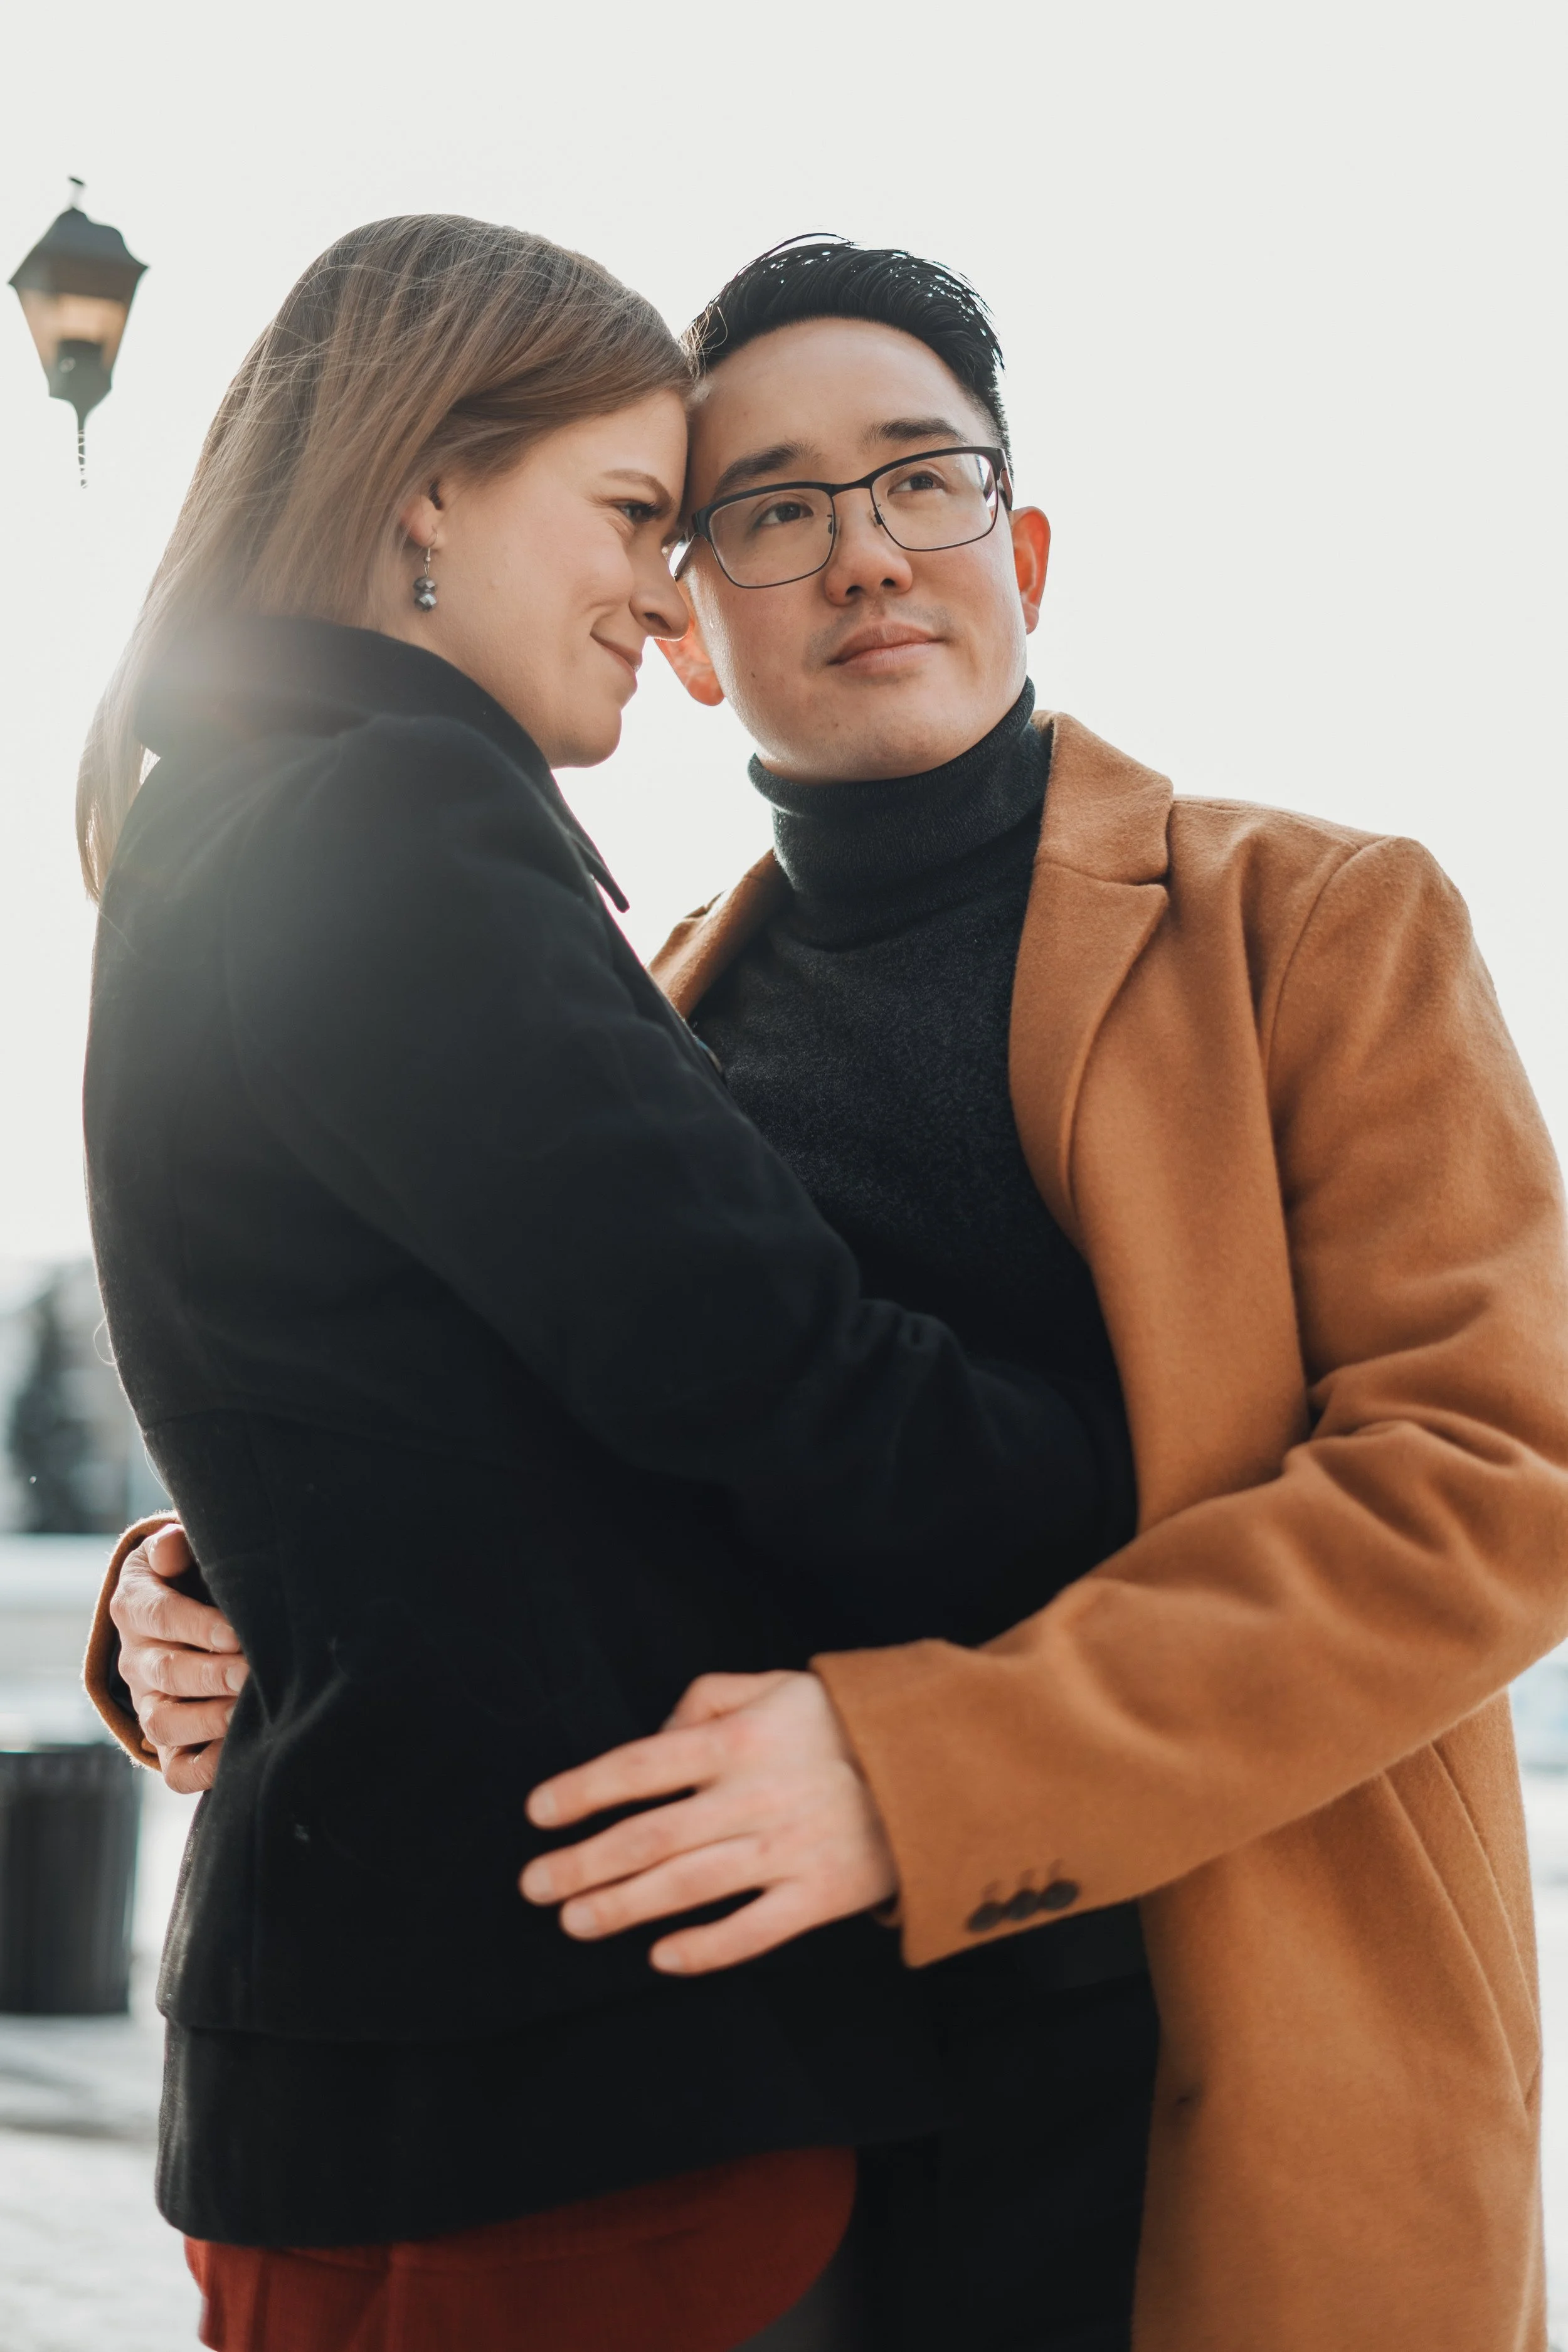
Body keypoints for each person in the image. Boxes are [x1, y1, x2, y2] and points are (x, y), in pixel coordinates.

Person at [99, 236, 1568, 2352]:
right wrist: (207, 1580)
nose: (865, 549)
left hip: (1225, 2063)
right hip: (775, 2110)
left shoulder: (1315, 923)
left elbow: (1493, 1480)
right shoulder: (639, 992)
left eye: (921, 479)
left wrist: (929, 1773)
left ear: (1022, 551)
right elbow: (505, 1415)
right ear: (685, 620)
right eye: (768, 509)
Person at [77, 215, 1145, 2352]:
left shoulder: (233, 814)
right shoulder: (397, 815)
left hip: (379, 2068)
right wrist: (1204, 1467)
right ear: (427, 492)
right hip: (579, 2076)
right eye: (644, 514)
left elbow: (391, 1378)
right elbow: (775, 1380)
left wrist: (207, 1574)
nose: (663, 595)